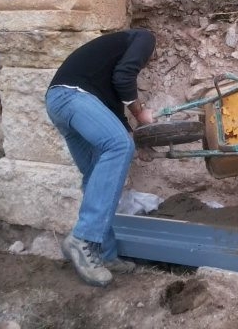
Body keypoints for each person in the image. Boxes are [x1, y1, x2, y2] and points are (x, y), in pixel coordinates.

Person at [45, 28, 156, 287]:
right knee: (118, 146)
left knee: (97, 173)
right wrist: (141, 114)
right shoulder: (146, 38)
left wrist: (137, 137)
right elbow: (124, 75)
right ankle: (82, 239)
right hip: (73, 97)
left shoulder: (105, 65)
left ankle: (104, 253)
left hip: (60, 103)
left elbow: (114, 110)